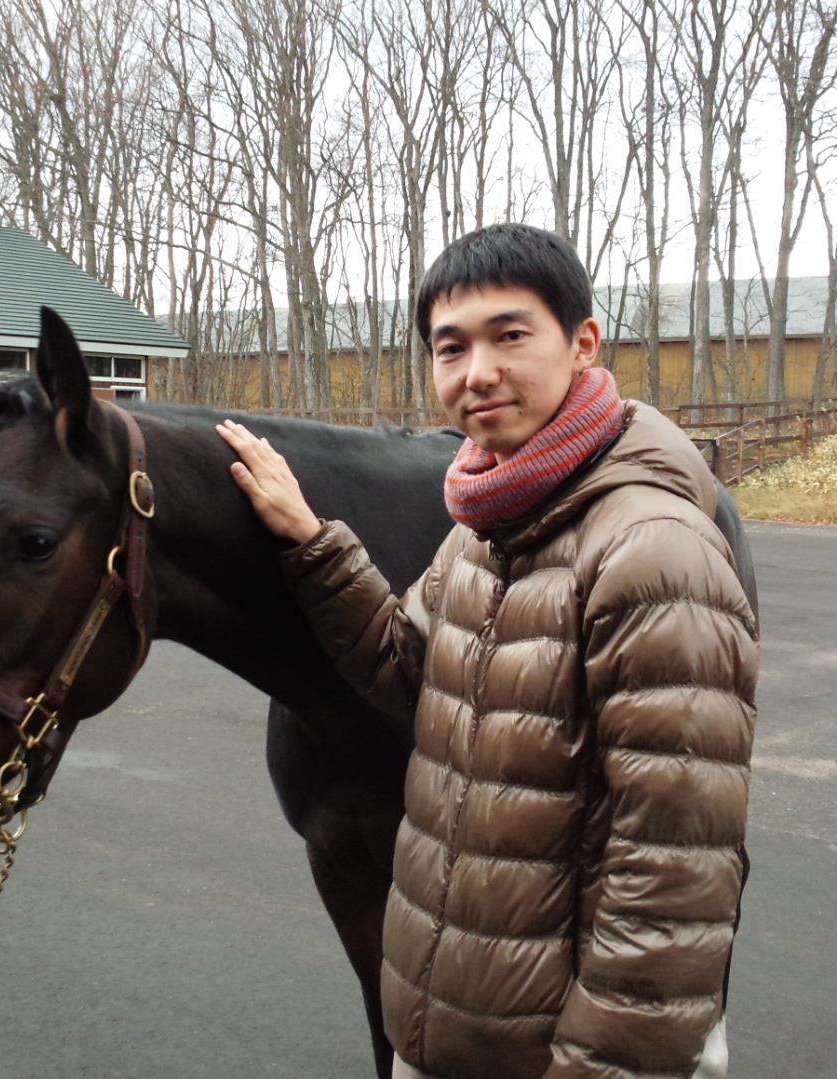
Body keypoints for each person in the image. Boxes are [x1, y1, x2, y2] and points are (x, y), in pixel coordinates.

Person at [216, 223, 758, 1079]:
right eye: (451, 347)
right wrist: (314, 541)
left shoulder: (653, 551)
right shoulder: (486, 529)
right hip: (460, 1031)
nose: (477, 372)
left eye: (509, 335)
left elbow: (668, 879)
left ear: (582, 343)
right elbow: (406, 671)